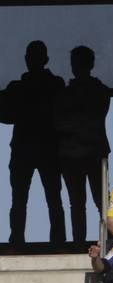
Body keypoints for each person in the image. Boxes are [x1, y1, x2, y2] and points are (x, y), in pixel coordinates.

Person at [0, 40, 65, 243]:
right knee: (53, 198)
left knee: (20, 198)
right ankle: (58, 240)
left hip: (24, 148)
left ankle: (17, 238)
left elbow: (6, 114)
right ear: (46, 60)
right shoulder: (55, 85)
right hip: (48, 148)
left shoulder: (18, 87)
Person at [55, 45, 111, 243]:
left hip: (76, 153)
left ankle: (81, 242)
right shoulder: (99, 91)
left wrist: (72, 124)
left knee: (84, 202)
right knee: (99, 201)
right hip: (90, 151)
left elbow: (61, 122)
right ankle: (105, 240)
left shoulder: (67, 93)